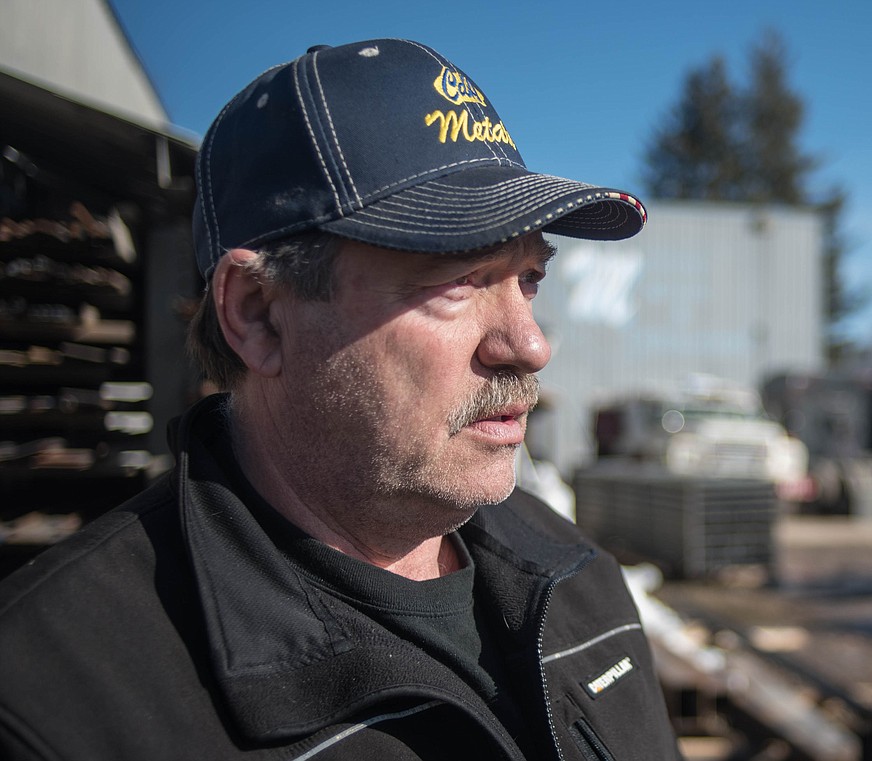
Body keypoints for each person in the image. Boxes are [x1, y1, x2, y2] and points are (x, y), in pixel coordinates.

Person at [0, 39, 681, 760]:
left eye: (528, 279)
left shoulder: (575, 576)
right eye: (457, 280)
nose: (529, 344)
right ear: (259, 314)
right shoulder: (59, 701)